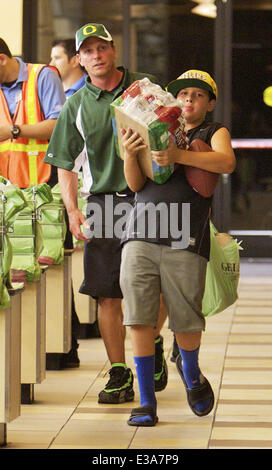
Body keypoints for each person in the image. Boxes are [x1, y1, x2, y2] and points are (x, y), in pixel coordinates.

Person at [44, 23, 168, 404]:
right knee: (107, 295)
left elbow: (174, 130)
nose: (96, 56)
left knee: (160, 287)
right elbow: (64, 162)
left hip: (151, 198)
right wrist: (71, 211)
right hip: (104, 203)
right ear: (80, 60)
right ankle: (118, 372)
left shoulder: (145, 86)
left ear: (114, 51)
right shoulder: (77, 105)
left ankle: (153, 340)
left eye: (102, 48)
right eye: (89, 51)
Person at [120, 69, 236, 426]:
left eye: (198, 95)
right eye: (183, 94)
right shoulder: (152, 127)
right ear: (173, 99)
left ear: (210, 103)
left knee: (185, 317)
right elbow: (137, 184)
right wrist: (128, 154)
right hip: (140, 233)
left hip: (185, 236)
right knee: (139, 318)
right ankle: (145, 402)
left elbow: (225, 162)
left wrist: (178, 156)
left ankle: (192, 373)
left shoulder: (213, 132)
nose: (189, 99)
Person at [0, 37, 65, 188]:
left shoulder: (43, 76)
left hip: (43, 188)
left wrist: (13, 131)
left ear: (2, 59)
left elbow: (58, 127)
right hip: (7, 192)